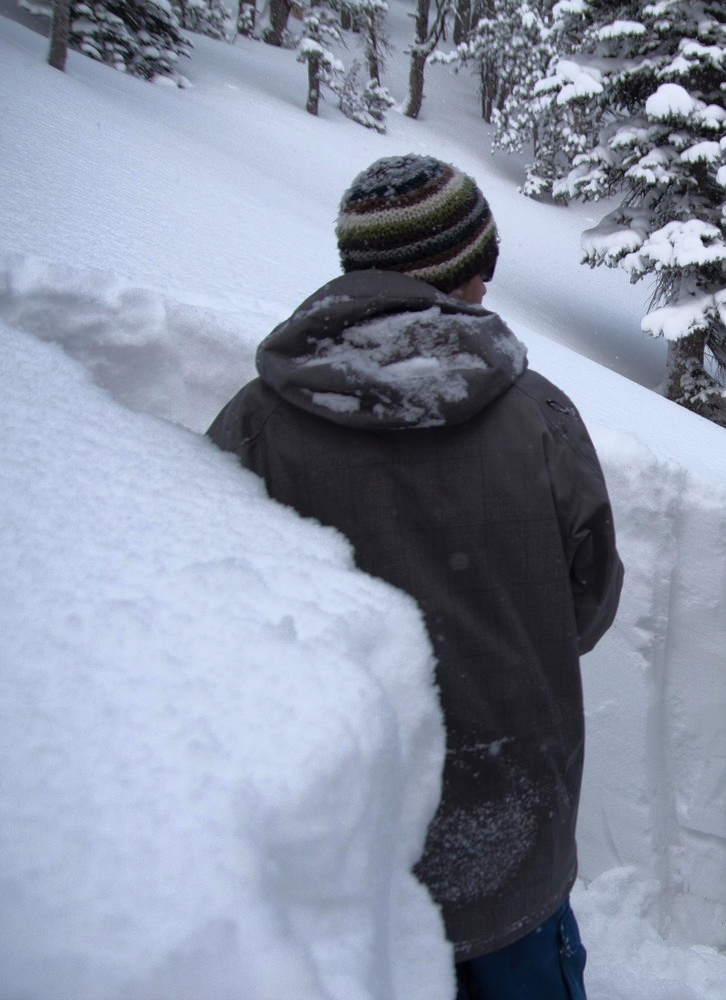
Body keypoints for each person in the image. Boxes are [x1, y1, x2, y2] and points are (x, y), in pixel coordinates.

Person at [207, 154, 624, 1000]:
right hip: (511, 821)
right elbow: (589, 602)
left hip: (346, 848)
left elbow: (215, 617)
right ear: (466, 275)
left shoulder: (254, 422)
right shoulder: (537, 416)